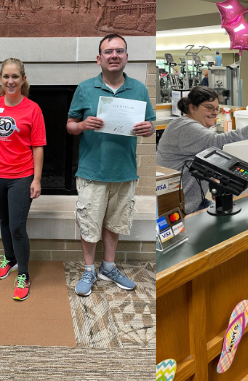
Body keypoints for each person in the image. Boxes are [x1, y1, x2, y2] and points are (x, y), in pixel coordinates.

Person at [67, 34, 156, 297]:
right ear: (99, 59)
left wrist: (147, 128)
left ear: (127, 57)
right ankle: (88, 269)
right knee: (89, 223)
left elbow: (150, 126)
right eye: (108, 52)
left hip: (124, 171)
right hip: (92, 171)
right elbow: (70, 126)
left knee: (115, 223)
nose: (114, 55)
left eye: (119, 51)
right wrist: (83, 125)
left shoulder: (139, 89)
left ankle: (108, 266)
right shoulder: (85, 88)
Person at [0, 58, 46, 301]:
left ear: (23, 79)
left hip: (21, 176)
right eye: (6, 76)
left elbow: (38, 146)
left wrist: (36, 179)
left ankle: (23, 274)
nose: (11, 81)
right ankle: (10, 258)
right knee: (4, 220)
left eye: (15, 76)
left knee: (17, 226)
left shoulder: (32, 109)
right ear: (0, 79)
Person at [155, 86, 248, 213]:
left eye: (216, 108)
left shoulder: (189, 125)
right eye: (209, 107)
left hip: (194, 201)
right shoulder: (185, 127)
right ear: (193, 108)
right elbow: (217, 143)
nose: (215, 113)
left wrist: (213, 180)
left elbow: (198, 160)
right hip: (176, 209)